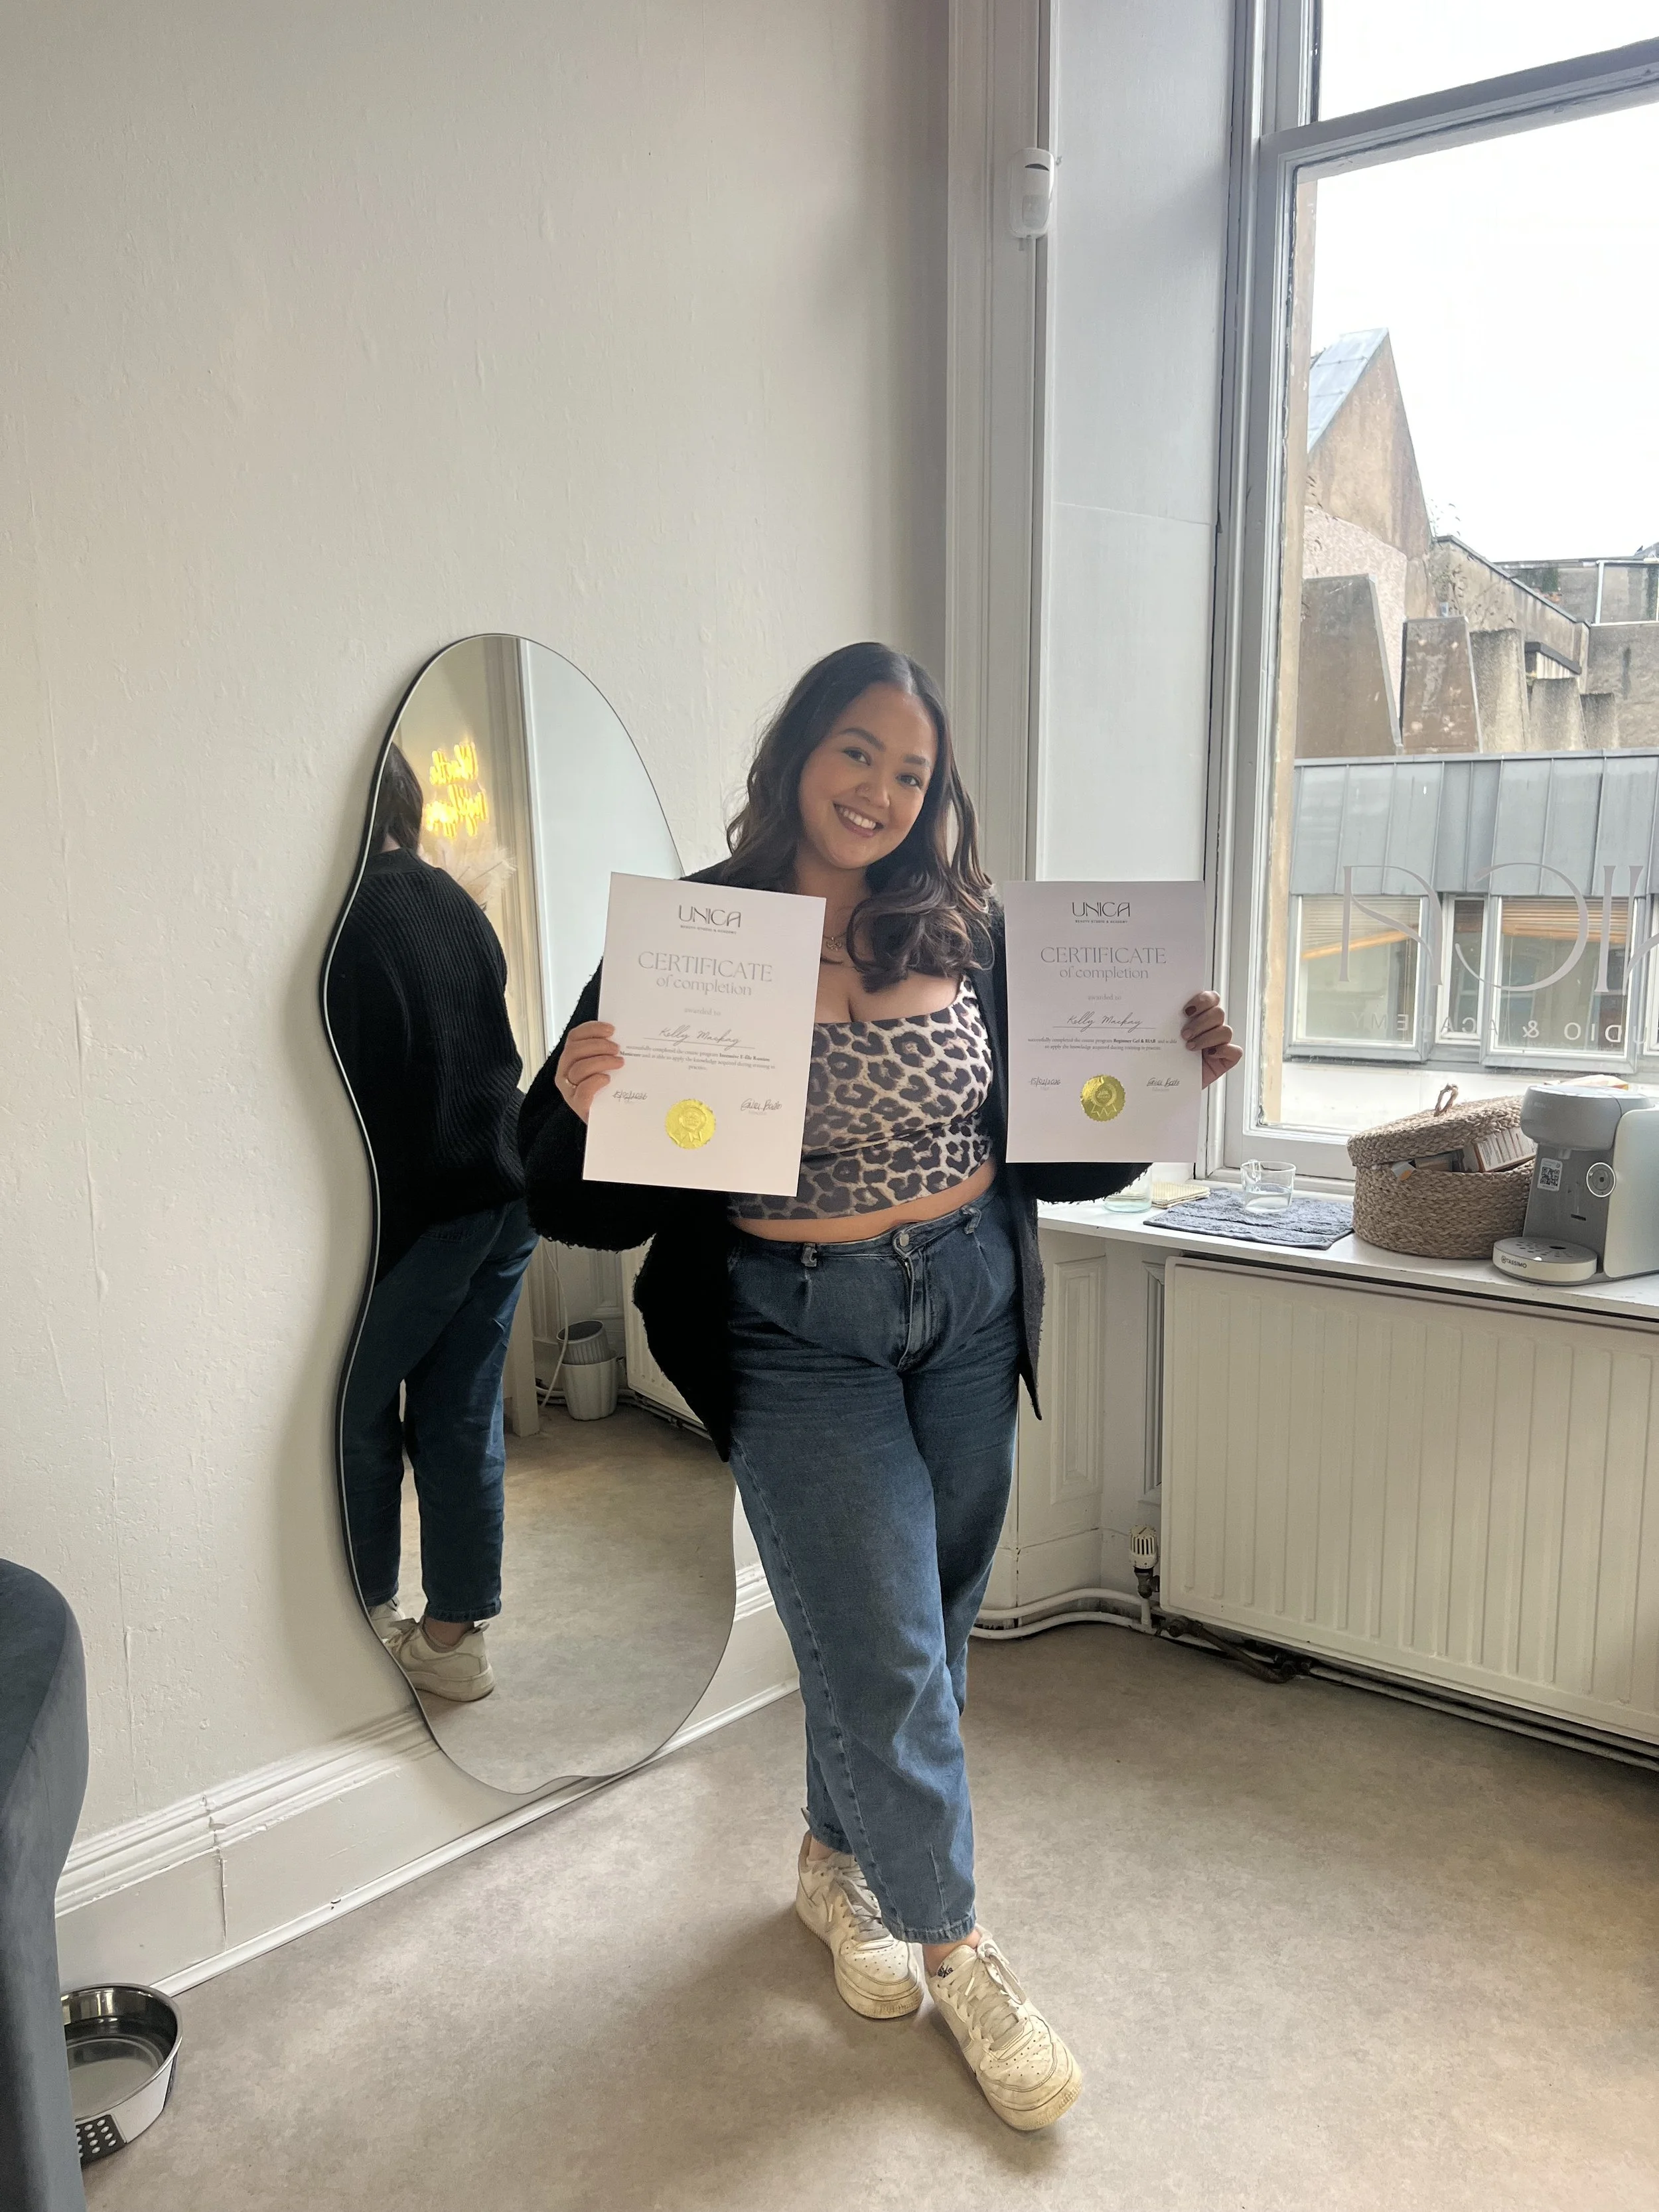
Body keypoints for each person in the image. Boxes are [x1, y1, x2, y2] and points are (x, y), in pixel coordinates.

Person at [518, 643, 1239, 2129]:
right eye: (858, 752)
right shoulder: (700, 935)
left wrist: (1162, 1079)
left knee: (930, 1621)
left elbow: (1061, 1146)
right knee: (890, 1648)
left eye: (910, 772)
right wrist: (572, 1101)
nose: (881, 791)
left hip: (968, 1302)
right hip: (794, 1327)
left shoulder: (962, 929)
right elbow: (581, 1209)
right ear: (798, 751)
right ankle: (959, 1947)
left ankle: (830, 1863)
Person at [326, 745, 538, 1703]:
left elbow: (354, 1101)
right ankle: (455, 1642)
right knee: (457, 1415)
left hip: (426, 1213)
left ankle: (365, 1615)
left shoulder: (344, 923)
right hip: (505, 1194)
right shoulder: (453, 902)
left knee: (351, 1411)